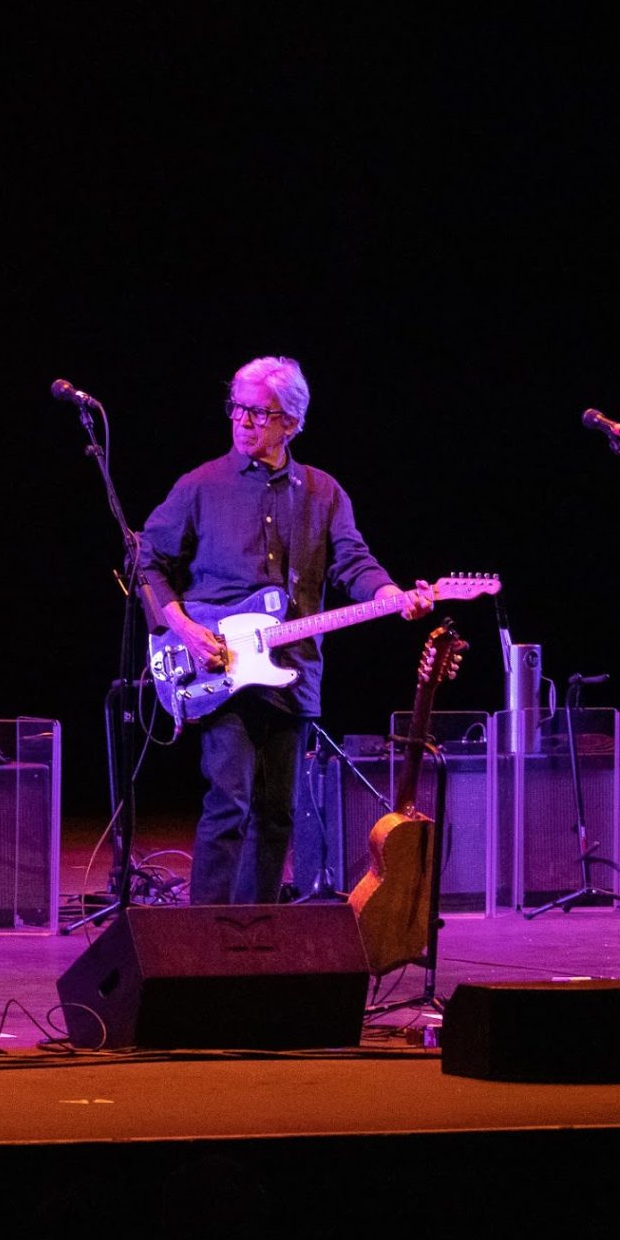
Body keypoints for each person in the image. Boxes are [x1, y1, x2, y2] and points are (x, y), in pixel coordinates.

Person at [137, 355, 433, 905]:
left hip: (293, 671)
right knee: (229, 800)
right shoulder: (200, 486)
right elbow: (146, 562)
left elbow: (353, 561)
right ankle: (205, 933)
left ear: (291, 423)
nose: (243, 421)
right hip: (218, 667)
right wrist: (183, 628)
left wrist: (391, 596)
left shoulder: (323, 492)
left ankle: (257, 930)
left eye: (259, 413)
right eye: (237, 408)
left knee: (277, 812)